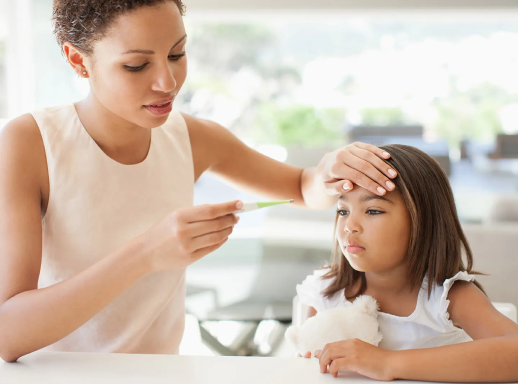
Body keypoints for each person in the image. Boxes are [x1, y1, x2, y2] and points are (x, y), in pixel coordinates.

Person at [0, 0, 398, 362]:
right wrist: (145, 254)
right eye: (137, 65)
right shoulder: (30, 144)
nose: (167, 82)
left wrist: (328, 172)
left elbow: (300, 188)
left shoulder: (192, 137)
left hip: (163, 372)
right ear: (77, 60)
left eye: (177, 54)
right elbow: (7, 334)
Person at [297, 144, 518, 382]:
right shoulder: (325, 292)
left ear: (422, 222)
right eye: (343, 211)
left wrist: (386, 363)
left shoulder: (446, 297)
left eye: (372, 211)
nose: (350, 225)